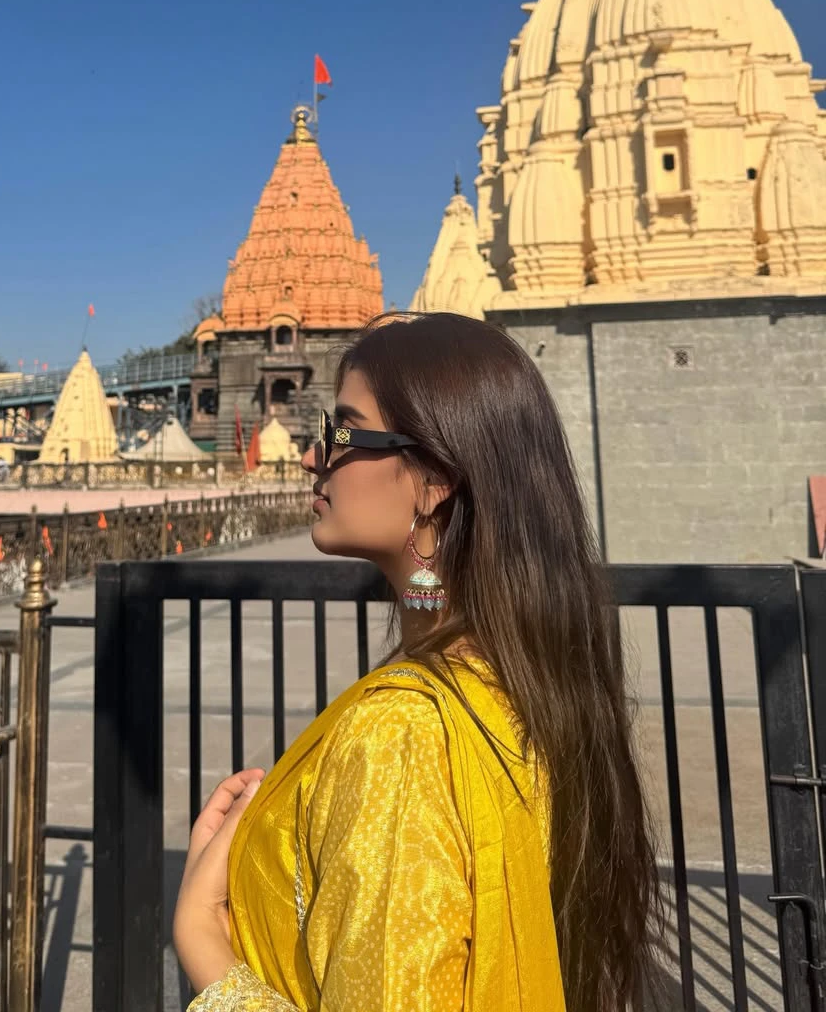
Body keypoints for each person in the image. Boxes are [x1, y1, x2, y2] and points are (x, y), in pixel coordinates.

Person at [174, 312, 662, 1012]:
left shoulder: (401, 736)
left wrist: (202, 937)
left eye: (341, 433)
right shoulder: (524, 682)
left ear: (434, 480)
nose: (315, 458)